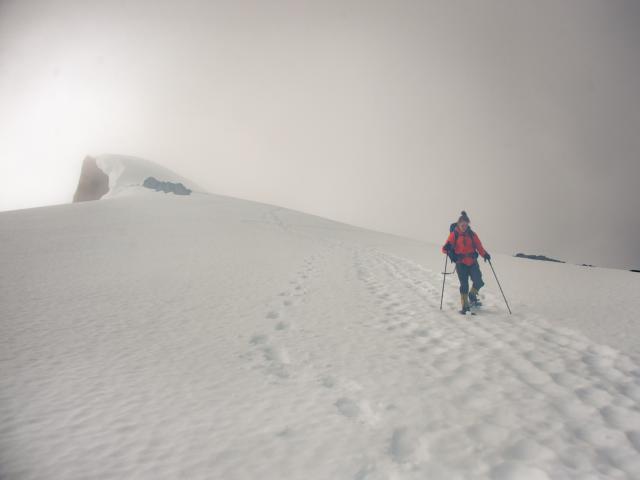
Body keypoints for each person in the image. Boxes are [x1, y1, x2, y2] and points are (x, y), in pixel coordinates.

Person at [442, 211, 491, 314]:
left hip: (472, 262)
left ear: (468, 224)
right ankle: (465, 306)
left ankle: (472, 296)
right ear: (459, 224)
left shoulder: (472, 235)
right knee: (464, 284)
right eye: (462, 225)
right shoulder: (454, 234)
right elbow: (444, 249)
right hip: (461, 263)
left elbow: (479, 247)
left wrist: (485, 254)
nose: (464, 226)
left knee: (478, 281)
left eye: (466, 224)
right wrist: (449, 251)